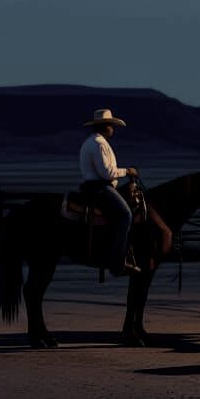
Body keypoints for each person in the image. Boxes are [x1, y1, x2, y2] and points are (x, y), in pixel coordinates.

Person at [78, 108, 141, 276]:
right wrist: (128, 171)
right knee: (125, 214)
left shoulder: (92, 142)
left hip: (95, 186)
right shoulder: (99, 144)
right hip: (100, 187)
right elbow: (107, 172)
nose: (113, 129)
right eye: (112, 125)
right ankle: (118, 261)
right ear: (105, 126)